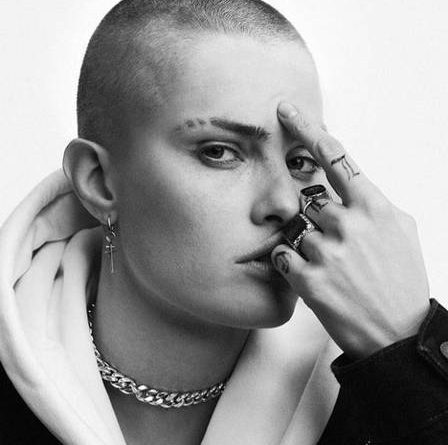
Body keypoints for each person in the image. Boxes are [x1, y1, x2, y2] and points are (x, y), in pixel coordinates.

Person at [1, 0, 448, 444]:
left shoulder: (381, 394)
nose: (284, 204)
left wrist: (409, 346)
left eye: (300, 161)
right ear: (100, 181)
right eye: (219, 152)